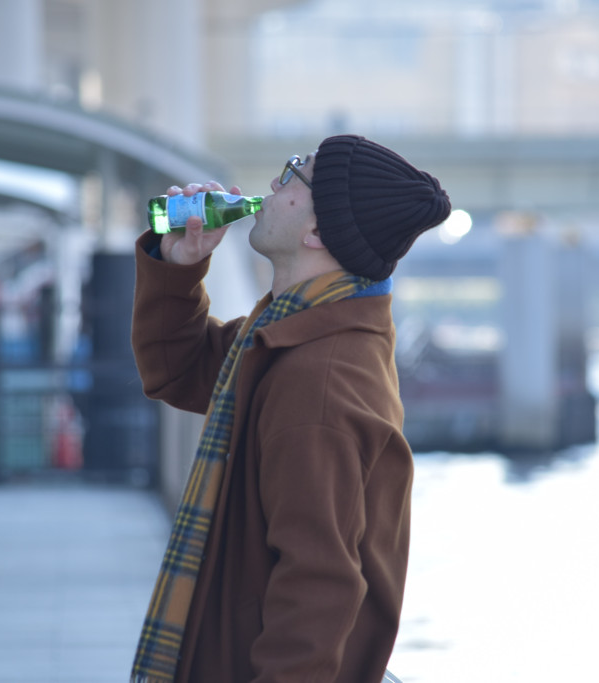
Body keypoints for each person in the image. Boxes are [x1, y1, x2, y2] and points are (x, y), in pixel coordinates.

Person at [129, 134, 451, 683]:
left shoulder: (318, 379)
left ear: (318, 232)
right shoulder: (294, 331)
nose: (277, 182)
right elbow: (178, 371)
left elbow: (318, 587)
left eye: (296, 174)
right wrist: (180, 264)